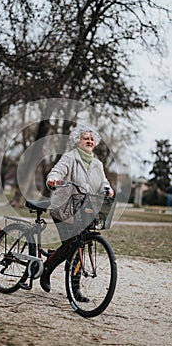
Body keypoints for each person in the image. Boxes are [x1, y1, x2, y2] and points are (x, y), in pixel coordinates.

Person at [40, 126, 114, 300]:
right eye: (85, 138)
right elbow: (57, 171)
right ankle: (47, 268)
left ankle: (75, 289)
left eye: (92, 139)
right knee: (70, 244)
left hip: (85, 208)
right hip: (64, 208)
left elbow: (103, 182)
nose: (89, 141)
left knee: (80, 244)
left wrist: (108, 189)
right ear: (77, 141)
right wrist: (53, 180)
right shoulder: (70, 157)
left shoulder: (97, 164)